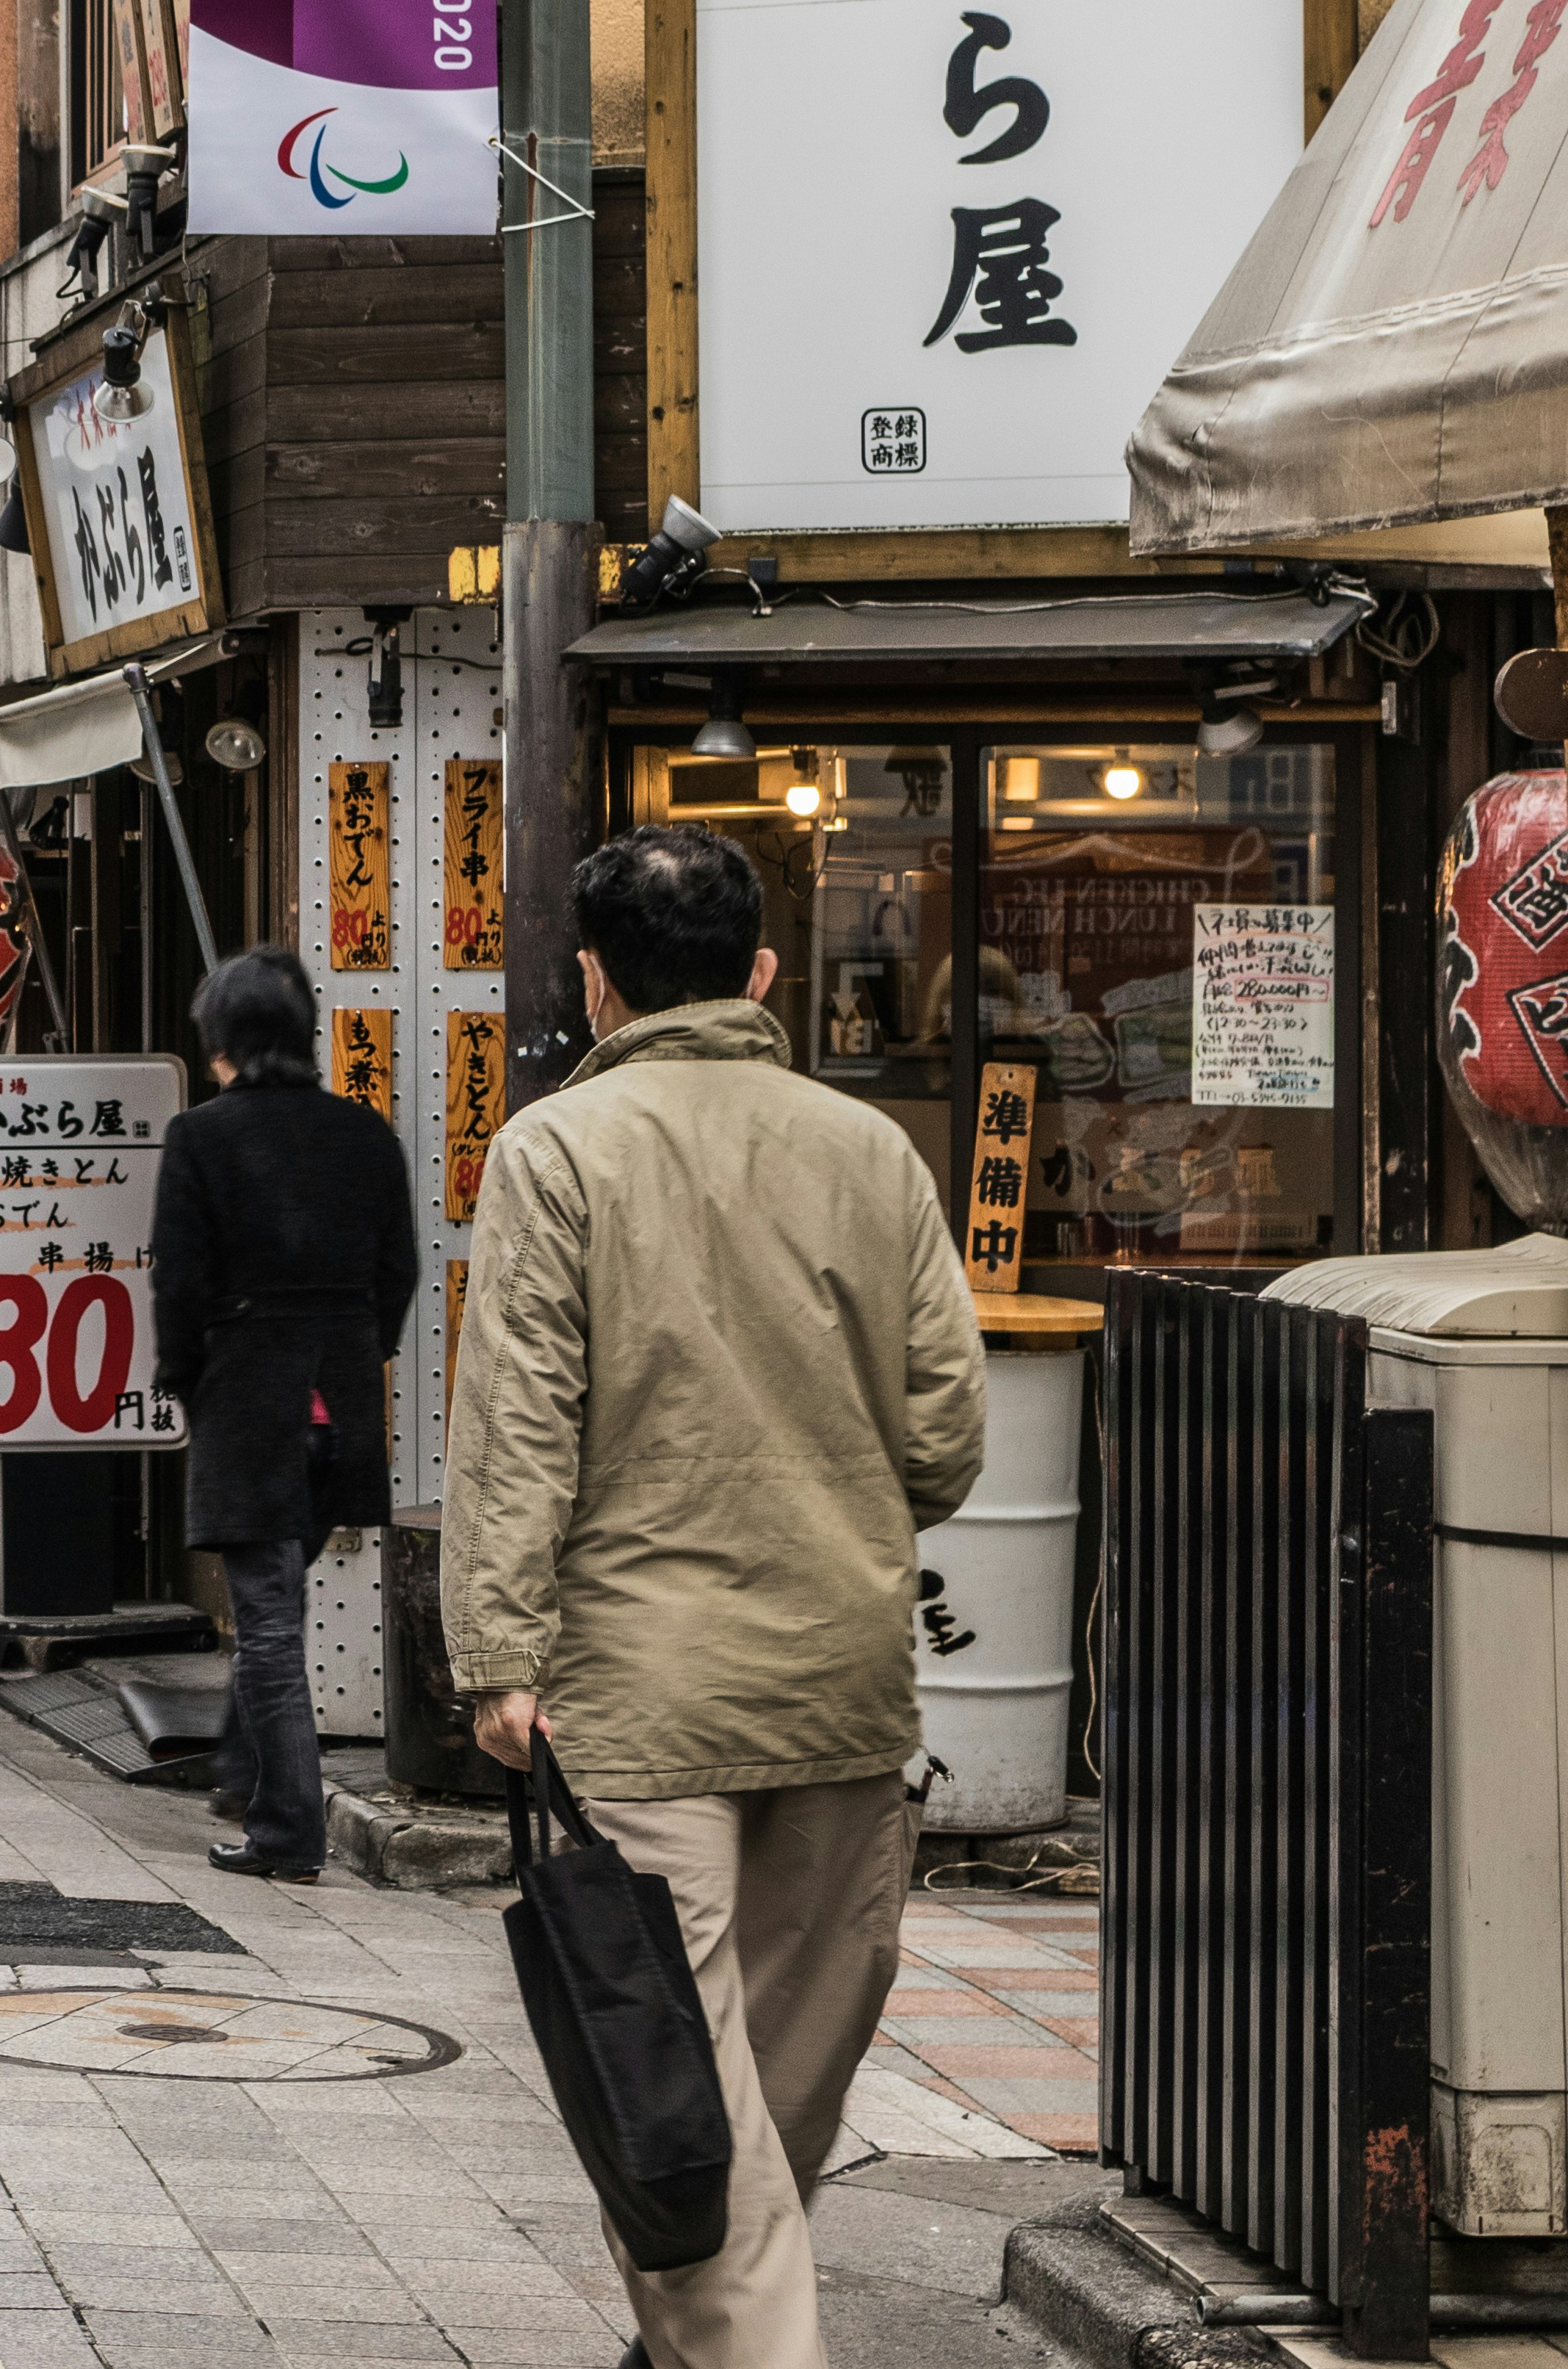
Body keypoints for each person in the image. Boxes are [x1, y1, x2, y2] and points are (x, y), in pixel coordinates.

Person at [445, 823, 986, 2369]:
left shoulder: (557, 1151)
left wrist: (496, 1650)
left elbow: (517, 1423)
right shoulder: (872, 1150)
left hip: (639, 1690)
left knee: (684, 2092)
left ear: (597, 985)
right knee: (770, 2092)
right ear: (762, 973)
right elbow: (945, 1432)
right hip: (844, 1679)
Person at [148, 947, 417, 1883]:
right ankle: (242, 1770)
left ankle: (288, 1832)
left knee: (265, 1622)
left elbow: (175, 1286)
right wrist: (356, 1350)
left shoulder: (201, 1139)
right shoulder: (365, 1134)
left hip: (249, 1399)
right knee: (276, 1598)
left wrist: (188, 1382)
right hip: (336, 1404)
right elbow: (399, 1276)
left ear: (221, 1042)